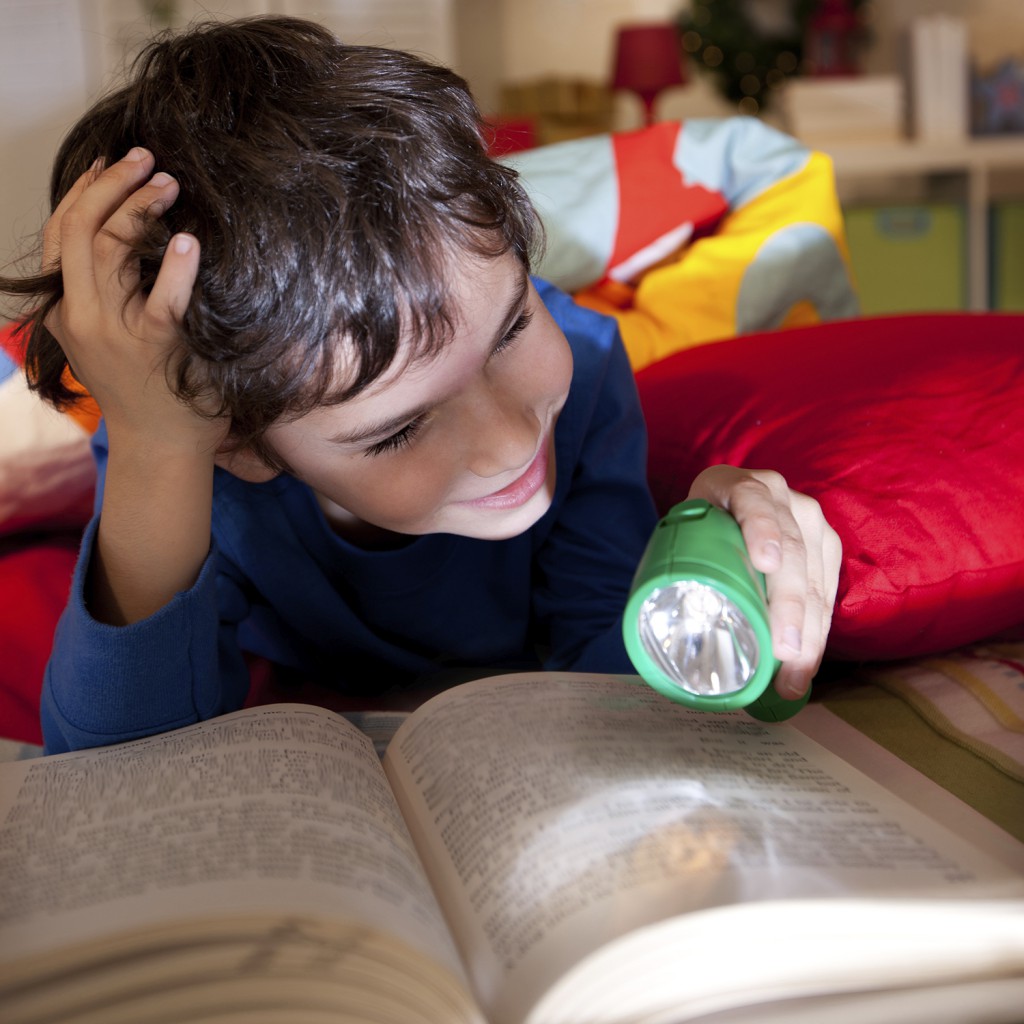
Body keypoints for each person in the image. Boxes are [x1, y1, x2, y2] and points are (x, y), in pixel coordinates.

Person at [1, 16, 840, 754]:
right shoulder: (180, 436)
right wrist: (154, 449)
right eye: (397, 429)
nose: (514, 441)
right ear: (239, 445)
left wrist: (731, 572)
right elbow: (116, 759)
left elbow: (617, 663)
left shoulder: (582, 368)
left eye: (512, 327)